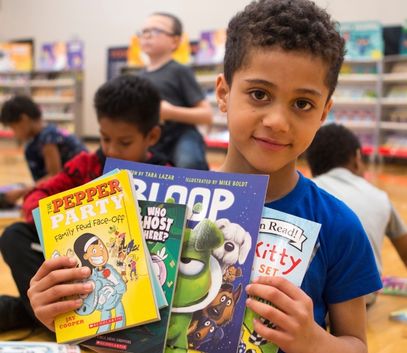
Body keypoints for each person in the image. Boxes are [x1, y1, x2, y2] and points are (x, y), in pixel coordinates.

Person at [28, 2, 382, 353]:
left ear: (325, 112)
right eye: (259, 94)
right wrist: (65, 314)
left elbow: (355, 344)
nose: (277, 121)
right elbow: (120, 341)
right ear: (223, 94)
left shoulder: (338, 225)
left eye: (302, 103)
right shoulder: (153, 208)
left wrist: (314, 341)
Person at [0, 74, 168, 332]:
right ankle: (47, 316)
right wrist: (61, 221)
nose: (111, 150)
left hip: (131, 280)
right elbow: (39, 195)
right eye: (104, 138)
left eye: (124, 142)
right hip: (74, 268)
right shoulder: (87, 164)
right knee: (13, 235)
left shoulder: (165, 175)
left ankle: (30, 314)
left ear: (152, 136)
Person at [305, 123, 407, 289]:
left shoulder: (308, 191)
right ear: (358, 157)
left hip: (310, 298)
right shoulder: (379, 196)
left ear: (312, 166)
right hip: (364, 297)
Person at [138, 12, 213, 170]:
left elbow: (206, 115)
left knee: (189, 163)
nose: (147, 36)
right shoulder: (138, 78)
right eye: (144, 31)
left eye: (156, 31)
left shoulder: (180, 71)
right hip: (151, 139)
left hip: (182, 135)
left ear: (175, 41)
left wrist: (171, 112)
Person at [0, 95, 87, 204]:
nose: (14, 133)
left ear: (23, 119)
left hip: (81, 191)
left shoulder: (47, 137)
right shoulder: (40, 139)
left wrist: (23, 192)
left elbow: (54, 175)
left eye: (13, 127)